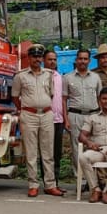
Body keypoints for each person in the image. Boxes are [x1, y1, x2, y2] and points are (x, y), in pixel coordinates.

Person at [12, 44, 64, 198]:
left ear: (42, 58)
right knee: (31, 152)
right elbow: (15, 97)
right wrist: (25, 109)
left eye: (39, 56)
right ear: (29, 58)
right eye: (34, 56)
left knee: (48, 151)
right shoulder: (20, 76)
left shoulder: (49, 75)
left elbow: (52, 95)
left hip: (47, 114)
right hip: (29, 115)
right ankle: (33, 184)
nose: (37, 59)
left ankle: (50, 185)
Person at [62, 49, 102, 191]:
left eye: (85, 59)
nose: (83, 61)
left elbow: (100, 98)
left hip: (93, 115)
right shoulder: (67, 77)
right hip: (75, 115)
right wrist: (65, 119)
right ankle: (81, 179)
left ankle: (96, 178)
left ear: (89, 61)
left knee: (94, 146)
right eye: (80, 59)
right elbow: (64, 99)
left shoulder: (96, 77)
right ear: (76, 60)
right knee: (76, 148)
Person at [44, 49, 66, 187]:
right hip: (45, 120)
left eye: (54, 59)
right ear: (43, 61)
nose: (52, 62)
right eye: (49, 59)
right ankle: (47, 182)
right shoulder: (39, 76)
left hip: (59, 120)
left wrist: (65, 118)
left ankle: (55, 182)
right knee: (46, 153)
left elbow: (63, 99)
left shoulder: (60, 77)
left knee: (57, 152)